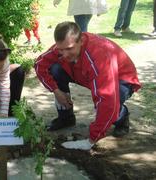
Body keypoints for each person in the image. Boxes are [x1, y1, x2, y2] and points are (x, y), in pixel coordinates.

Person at [34, 21, 141, 150]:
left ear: (81, 41)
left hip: (122, 79)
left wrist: (90, 140)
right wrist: (56, 91)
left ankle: (122, 115)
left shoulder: (99, 56)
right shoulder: (63, 47)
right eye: (61, 49)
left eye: (69, 48)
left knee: (109, 104)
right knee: (56, 69)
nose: (65, 54)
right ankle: (66, 118)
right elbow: (39, 64)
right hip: (86, 74)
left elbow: (107, 99)